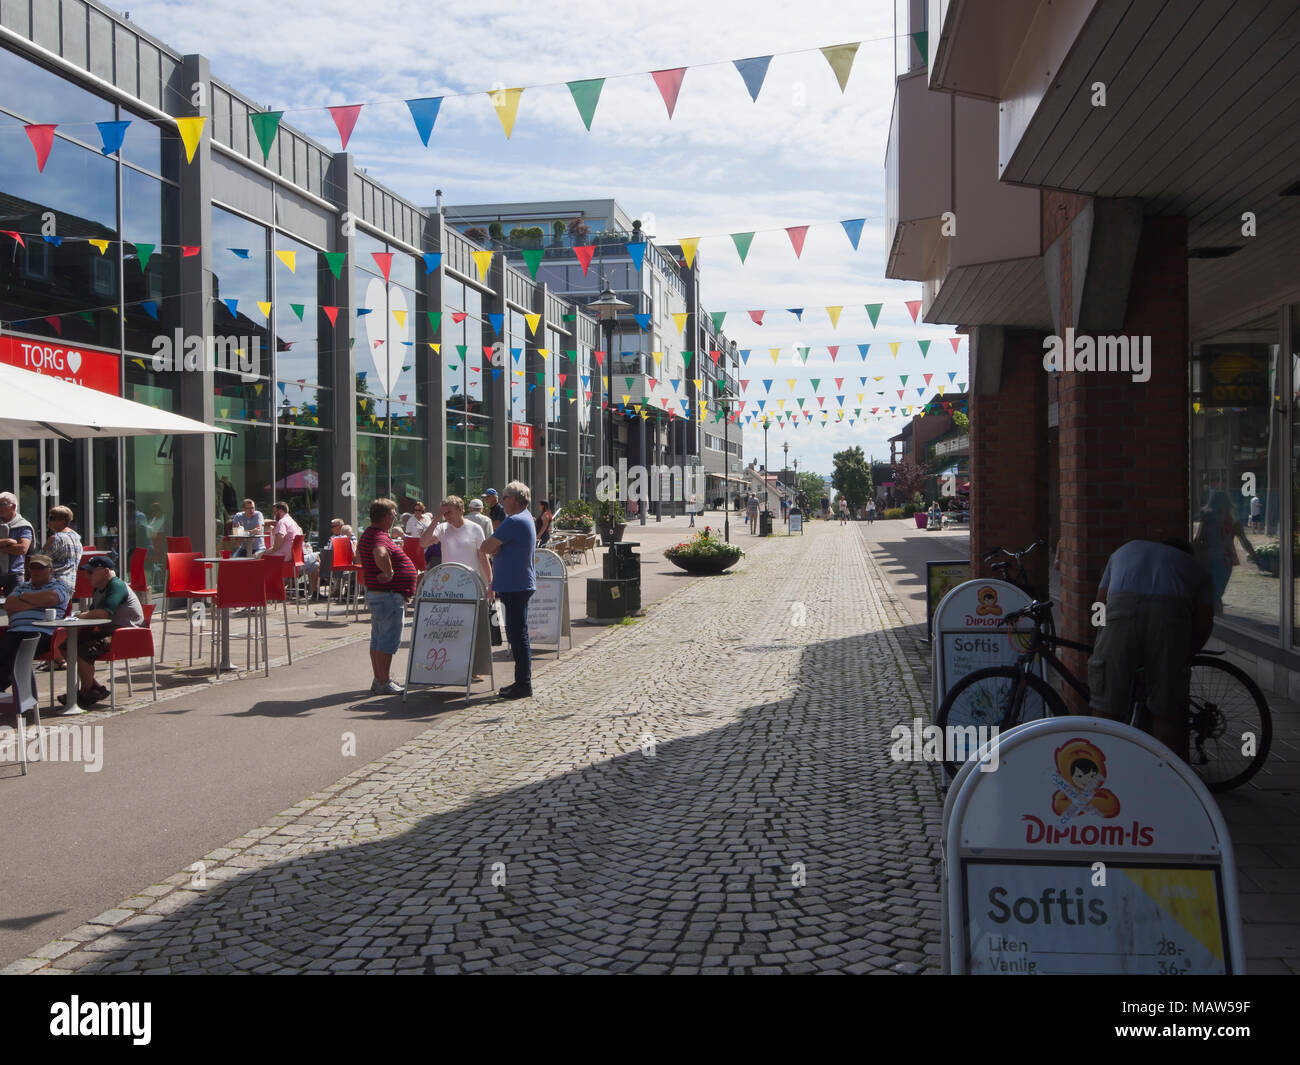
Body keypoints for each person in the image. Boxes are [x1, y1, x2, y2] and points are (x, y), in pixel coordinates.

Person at [1088, 538, 1215, 762]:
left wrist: (1101, 639)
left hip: (1120, 610)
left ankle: (1102, 767)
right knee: (1165, 709)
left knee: (1105, 702)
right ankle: (1163, 776)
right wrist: (1183, 654)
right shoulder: (1197, 568)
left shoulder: (1123, 550)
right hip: (1171, 617)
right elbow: (1204, 622)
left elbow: (1099, 603)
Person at [479, 481, 536, 700]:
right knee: (517, 634)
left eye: (504, 497)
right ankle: (522, 682)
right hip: (517, 583)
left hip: (515, 584)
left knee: (517, 635)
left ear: (514, 499)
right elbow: (492, 546)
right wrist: (496, 546)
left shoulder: (514, 520)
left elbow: (486, 547)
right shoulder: (525, 518)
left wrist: (496, 547)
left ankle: (523, 684)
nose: (502, 502)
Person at [358, 499, 418, 695]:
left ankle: (379, 679)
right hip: (388, 596)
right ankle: (384, 681)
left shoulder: (370, 533)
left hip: (380, 594)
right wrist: (390, 573)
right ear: (385, 517)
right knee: (387, 641)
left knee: (378, 639)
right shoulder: (378, 536)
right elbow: (380, 552)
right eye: (393, 514)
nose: (394, 518)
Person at [71, 556, 144, 706]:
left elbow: (104, 613)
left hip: (128, 635)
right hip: (110, 633)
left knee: (83, 649)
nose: (86, 575)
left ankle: (88, 691)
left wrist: (79, 616)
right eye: (86, 572)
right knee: (68, 645)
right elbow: (92, 615)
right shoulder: (98, 589)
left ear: (105, 571)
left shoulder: (116, 585)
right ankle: (93, 688)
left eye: (90, 572)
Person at [0, 554, 70, 694]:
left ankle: (12, 698)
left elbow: (51, 598)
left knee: (16, 658)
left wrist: (24, 598)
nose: (37, 571)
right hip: (15, 631)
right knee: (4, 654)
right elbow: (10, 604)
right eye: (34, 567)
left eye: (41, 568)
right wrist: (37, 603)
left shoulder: (59, 585)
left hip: (42, 632)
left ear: (50, 570)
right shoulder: (22, 586)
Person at [1192, 490, 1257, 614]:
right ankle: (1215, 615)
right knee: (1216, 592)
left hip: (1208, 559)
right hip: (1225, 560)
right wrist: (1256, 557)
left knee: (1212, 592)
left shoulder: (1208, 517)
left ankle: (1213, 617)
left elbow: (1198, 539)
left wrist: (1193, 555)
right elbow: (1244, 541)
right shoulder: (1232, 519)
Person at [421, 496, 490, 588]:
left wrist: (490, 583)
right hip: (447, 581)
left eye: (449, 512)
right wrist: (438, 517)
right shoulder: (442, 528)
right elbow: (423, 543)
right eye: (444, 513)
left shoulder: (476, 528)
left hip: (470, 582)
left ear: (460, 510)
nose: (446, 516)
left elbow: (483, 557)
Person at [0, 491, 34, 596]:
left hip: (14, 574)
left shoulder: (23, 525)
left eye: (2, 505)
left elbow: (22, 549)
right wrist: (9, 542)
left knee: (15, 605)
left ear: (13, 506)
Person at [42, 505, 83, 593]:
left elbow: (40, 560)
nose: (48, 520)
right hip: (70, 584)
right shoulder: (77, 538)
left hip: (54, 584)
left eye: (52, 518)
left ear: (63, 521)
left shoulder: (56, 538)